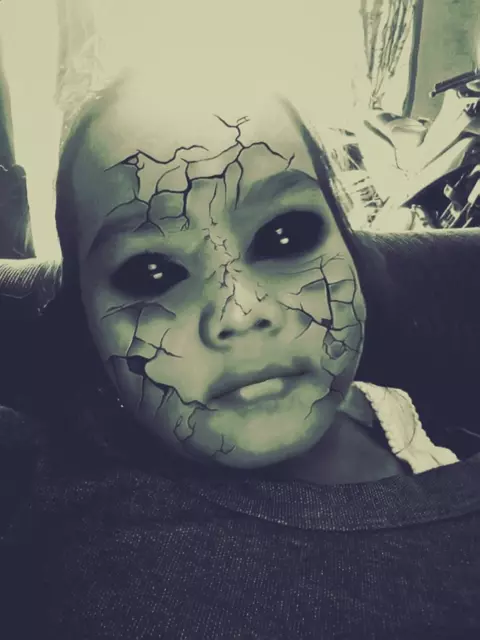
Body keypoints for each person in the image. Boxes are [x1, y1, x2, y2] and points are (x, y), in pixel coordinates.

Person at [1, 62, 480, 640]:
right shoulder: (93, 549)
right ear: (85, 325)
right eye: (152, 272)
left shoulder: (409, 413)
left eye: (286, 236)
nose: (240, 311)